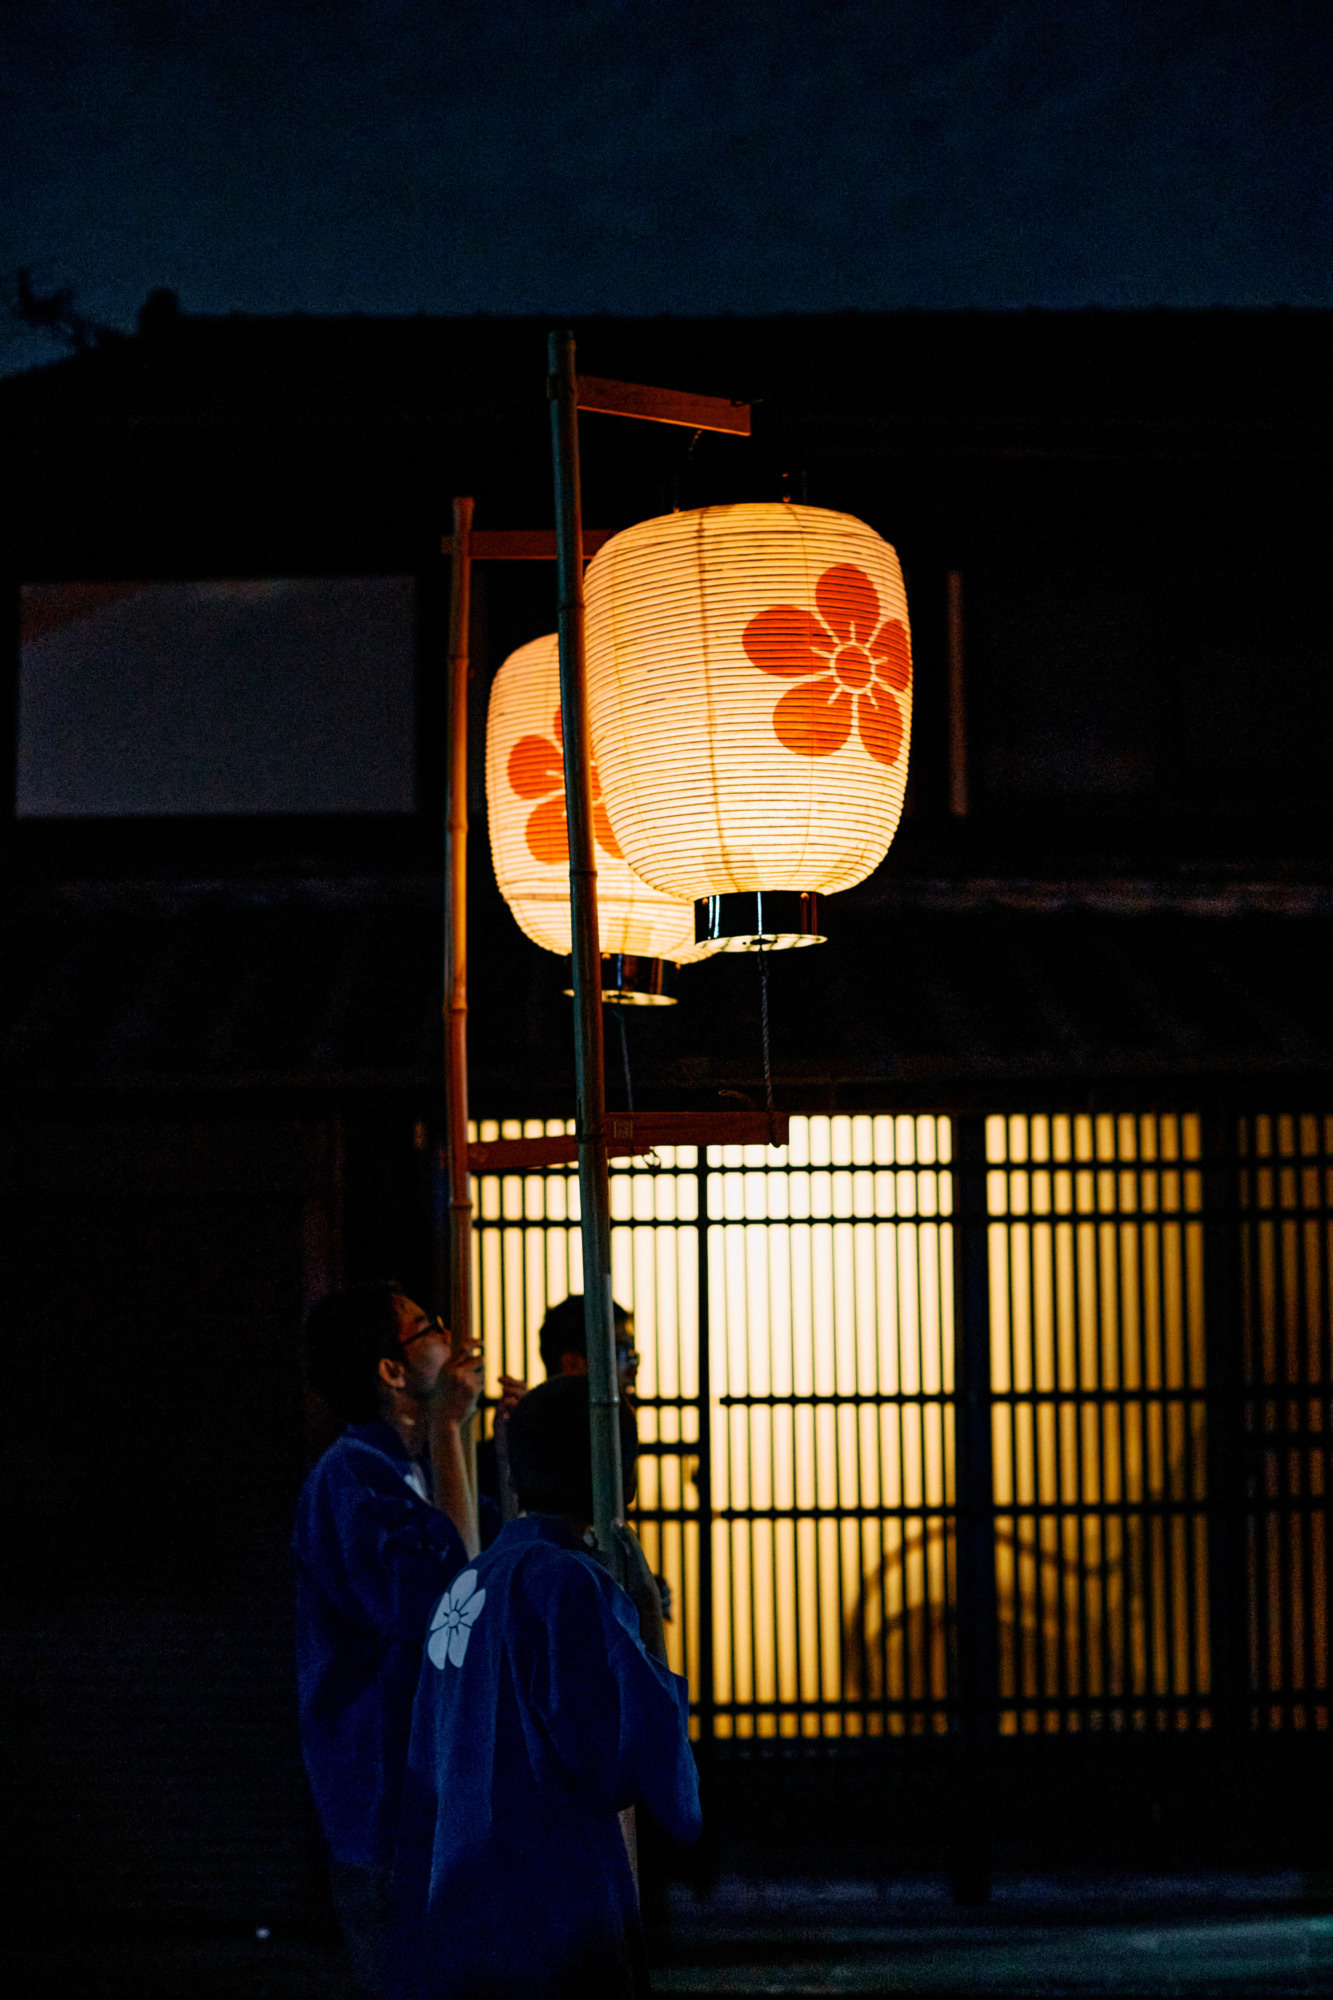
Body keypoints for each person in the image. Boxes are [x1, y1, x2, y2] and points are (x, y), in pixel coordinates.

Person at [387, 1376, 702, 2000]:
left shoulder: (469, 1582)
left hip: (456, 1897)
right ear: (621, 1476)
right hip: (553, 1904)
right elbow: (621, 1761)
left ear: (515, 1470)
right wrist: (644, 1618)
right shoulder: (570, 1584)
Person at [294, 1282, 485, 1998]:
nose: (450, 1337)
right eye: (428, 1326)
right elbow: (456, 1600)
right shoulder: (353, 1477)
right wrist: (448, 1429)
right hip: (383, 1787)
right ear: (391, 1371)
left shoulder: (402, 1469)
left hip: (415, 1781)